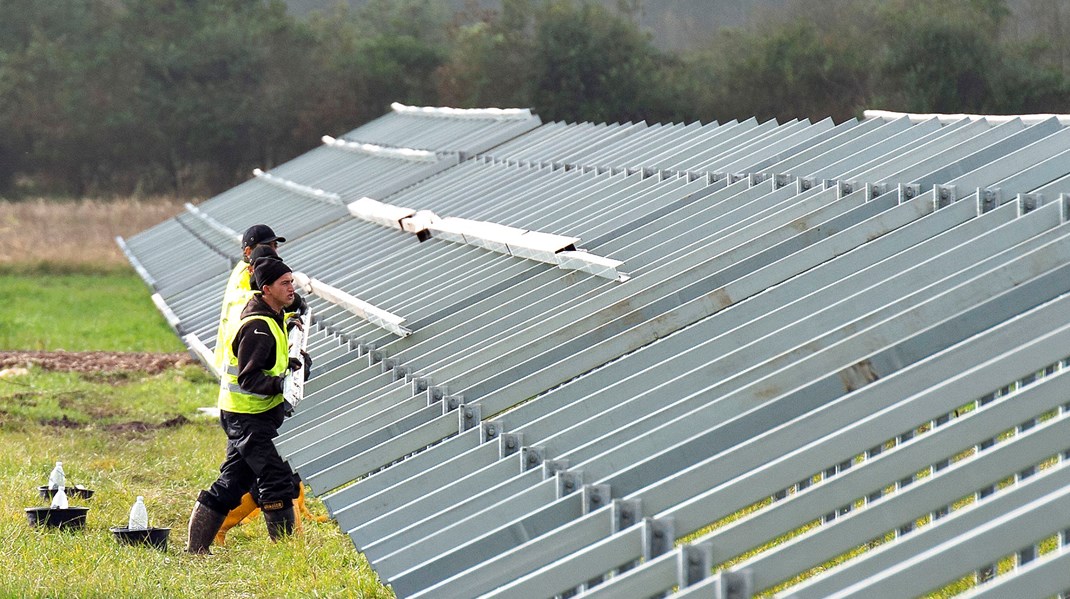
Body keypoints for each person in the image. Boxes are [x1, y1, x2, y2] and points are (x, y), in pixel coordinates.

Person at [186, 257, 306, 553]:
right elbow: (249, 378)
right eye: (285, 283)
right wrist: (281, 384)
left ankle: (196, 550)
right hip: (247, 417)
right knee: (276, 478)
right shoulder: (258, 328)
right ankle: (287, 554)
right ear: (266, 289)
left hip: (250, 415)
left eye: (292, 281)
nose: (292, 288)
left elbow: (268, 363)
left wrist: (288, 365)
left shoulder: (271, 315)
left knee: (234, 481)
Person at [213, 224, 285, 374]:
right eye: (267, 246)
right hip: (238, 361)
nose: (273, 251)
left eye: (275, 245)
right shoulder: (246, 276)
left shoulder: (251, 271)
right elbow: (257, 308)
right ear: (248, 251)